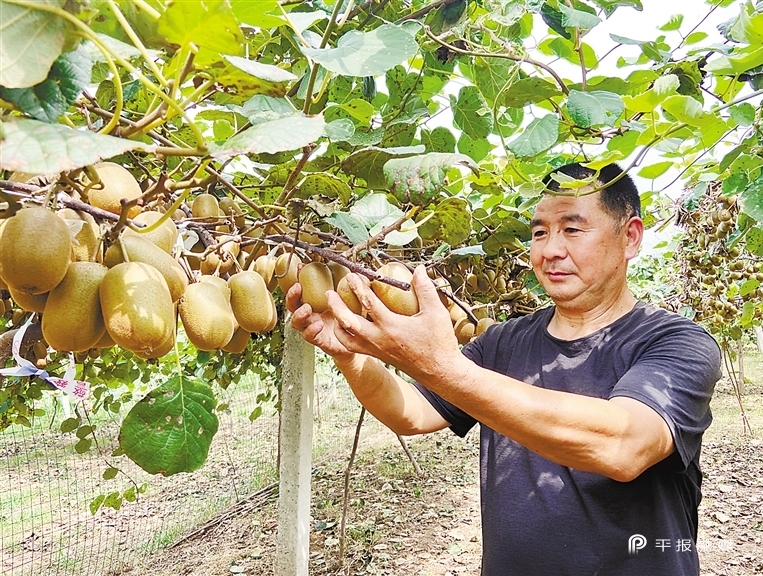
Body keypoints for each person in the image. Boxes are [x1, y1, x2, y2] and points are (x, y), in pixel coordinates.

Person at [286, 162, 721, 576]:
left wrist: (442, 368)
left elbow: (623, 446)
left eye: (572, 229)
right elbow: (412, 413)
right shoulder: (503, 341)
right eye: (539, 232)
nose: (550, 250)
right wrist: (349, 355)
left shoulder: (678, 343)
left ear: (629, 238)